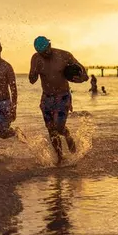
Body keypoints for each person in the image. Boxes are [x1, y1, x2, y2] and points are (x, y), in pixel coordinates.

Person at [29, 36, 88, 164]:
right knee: (50, 128)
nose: (45, 54)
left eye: (46, 50)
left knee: (59, 127)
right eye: (42, 53)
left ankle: (67, 135)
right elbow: (32, 80)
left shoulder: (65, 55)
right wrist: (35, 71)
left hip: (63, 96)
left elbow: (83, 72)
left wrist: (82, 78)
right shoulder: (36, 58)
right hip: (47, 97)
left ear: (50, 45)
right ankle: (60, 157)